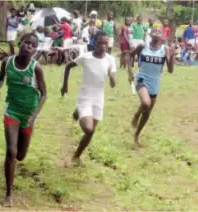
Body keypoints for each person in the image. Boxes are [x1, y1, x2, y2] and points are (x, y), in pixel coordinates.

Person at [0, 33, 47, 207]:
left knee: (21, 155)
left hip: (28, 115)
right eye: (26, 42)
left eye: (32, 45)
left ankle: (21, 149)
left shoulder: (36, 68)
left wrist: (33, 117)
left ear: (35, 50)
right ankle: (9, 194)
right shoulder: (7, 62)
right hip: (12, 111)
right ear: (19, 43)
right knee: (11, 152)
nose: (28, 46)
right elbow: (0, 79)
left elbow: (44, 94)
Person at [61, 31, 116, 165]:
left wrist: (111, 76)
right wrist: (65, 85)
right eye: (100, 43)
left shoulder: (110, 59)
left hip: (99, 99)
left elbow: (113, 84)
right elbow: (69, 66)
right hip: (85, 97)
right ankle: (80, 111)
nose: (103, 46)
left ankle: (76, 156)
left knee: (91, 132)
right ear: (94, 42)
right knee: (89, 129)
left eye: (105, 43)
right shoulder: (86, 57)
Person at [128, 27, 174, 147]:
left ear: (163, 35)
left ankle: (137, 134)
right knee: (146, 103)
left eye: (159, 32)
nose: (157, 34)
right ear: (150, 34)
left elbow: (170, 70)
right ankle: (136, 114)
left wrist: (171, 56)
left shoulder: (165, 49)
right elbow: (130, 56)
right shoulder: (143, 46)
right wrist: (130, 72)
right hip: (142, 78)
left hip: (155, 82)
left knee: (147, 112)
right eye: (154, 31)